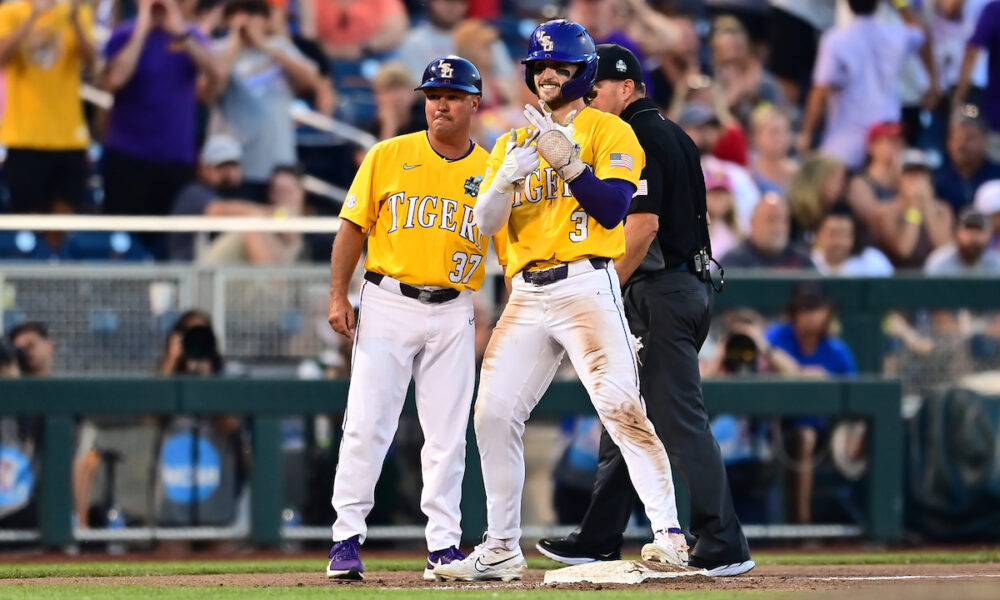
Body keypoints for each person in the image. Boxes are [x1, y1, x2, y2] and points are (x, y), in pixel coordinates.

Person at [434, 21, 688, 582]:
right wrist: (503, 181)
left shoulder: (610, 131)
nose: (548, 74)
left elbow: (613, 209)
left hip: (585, 281)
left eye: (562, 67)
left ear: (584, 74)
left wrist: (569, 164)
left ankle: (668, 533)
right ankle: (500, 544)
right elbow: (483, 225)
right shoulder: (511, 140)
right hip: (525, 289)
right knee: (493, 414)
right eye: (541, 66)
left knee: (620, 406)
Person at [535, 43, 755, 577]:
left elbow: (644, 225)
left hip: (663, 289)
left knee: (677, 420)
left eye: (595, 90)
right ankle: (599, 534)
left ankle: (722, 541)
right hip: (681, 285)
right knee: (624, 413)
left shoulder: (635, 134)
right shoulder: (673, 132)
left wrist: (605, 290)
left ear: (627, 87)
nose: (587, 100)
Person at [324, 57, 496, 582]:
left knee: (446, 433)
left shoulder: (491, 169)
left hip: (454, 307)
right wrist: (338, 296)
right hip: (388, 300)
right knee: (367, 424)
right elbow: (353, 228)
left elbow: (512, 248)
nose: (439, 102)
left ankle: (443, 547)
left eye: (450, 94)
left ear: (473, 103)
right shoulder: (388, 154)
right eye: (432, 94)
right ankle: (345, 540)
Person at [99, 0, 222, 223]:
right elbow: (115, 79)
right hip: (128, 154)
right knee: (125, 233)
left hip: (176, 156)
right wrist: (142, 29)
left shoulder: (191, 36)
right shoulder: (124, 33)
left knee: (170, 237)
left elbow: (216, 76)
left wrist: (181, 33)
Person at [765, 282, 858, 524]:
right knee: (805, 435)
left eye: (816, 309)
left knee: (814, 433)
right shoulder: (777, 336)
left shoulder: (836, 349)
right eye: (805, 309)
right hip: (774, 422)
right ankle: (802, 522)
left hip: (827, 426)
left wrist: (855, 433)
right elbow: (762, 358)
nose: (811, 316)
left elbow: (860, 398)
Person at [798, 0, 928, 170]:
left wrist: (806, 133)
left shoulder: (835, 39)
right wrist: (899, 3)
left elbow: (820, 91)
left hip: (846, 144)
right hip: (885, 141)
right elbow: (919, 32)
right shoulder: (894, 35)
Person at [212, 0, 318, 197]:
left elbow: (311, 80)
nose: (247, 18)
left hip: (279, 163)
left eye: (253, 13)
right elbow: (210, 88)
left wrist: (263, 44)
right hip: (236, 163)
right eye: (239, 12)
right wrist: (235, 41)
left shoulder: (280, 47)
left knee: (280, 222)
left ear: (266, 20)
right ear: (228, 19)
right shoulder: (218, 49)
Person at [0, 0, 96, 214]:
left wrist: (75, 21)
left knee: (63, 227)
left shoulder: (77, 11)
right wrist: (33, 16)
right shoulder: (10, 12)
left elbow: (93, 64)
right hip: (25, 139)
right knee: (29, 226)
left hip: (70, 139)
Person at [723, 193, 815, 270]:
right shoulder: (734, 262)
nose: (778, 228)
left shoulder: (801, 260)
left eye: (783, 220)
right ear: (753, 222)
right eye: (771, 219)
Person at [924, 207, 1000, 275]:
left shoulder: (995, 263)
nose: (973, 236)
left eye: (978, 231)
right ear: (958, 233)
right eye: (968, 230)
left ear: (988, 235)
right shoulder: (940, 261)